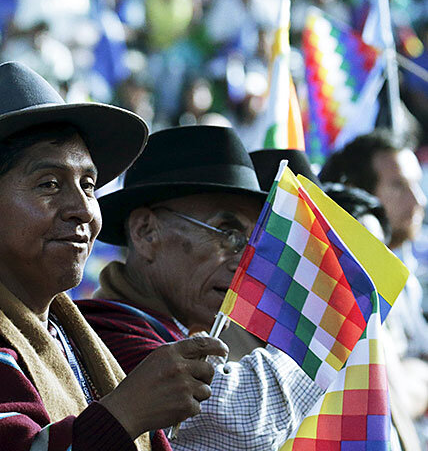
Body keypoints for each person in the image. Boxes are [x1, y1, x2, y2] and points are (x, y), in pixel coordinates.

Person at [0, 62, 229, 451]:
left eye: (88, 186)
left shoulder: (65, 333)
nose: (82, 209)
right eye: (49, 184)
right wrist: (125, 414)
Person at [77, 126, 324, 451]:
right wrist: (331, 325)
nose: (246, 264)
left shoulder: (184, 329)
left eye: (253, 246)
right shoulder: (109, 333)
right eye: (228, 234)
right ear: (146, 232)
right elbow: (239, 422)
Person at [320, 130, 428, 440]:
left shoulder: (406, 270)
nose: (418, 201)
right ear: (357, 191)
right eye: (398, 186)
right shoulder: (354, 283)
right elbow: (397, 397)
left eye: (417, 184)